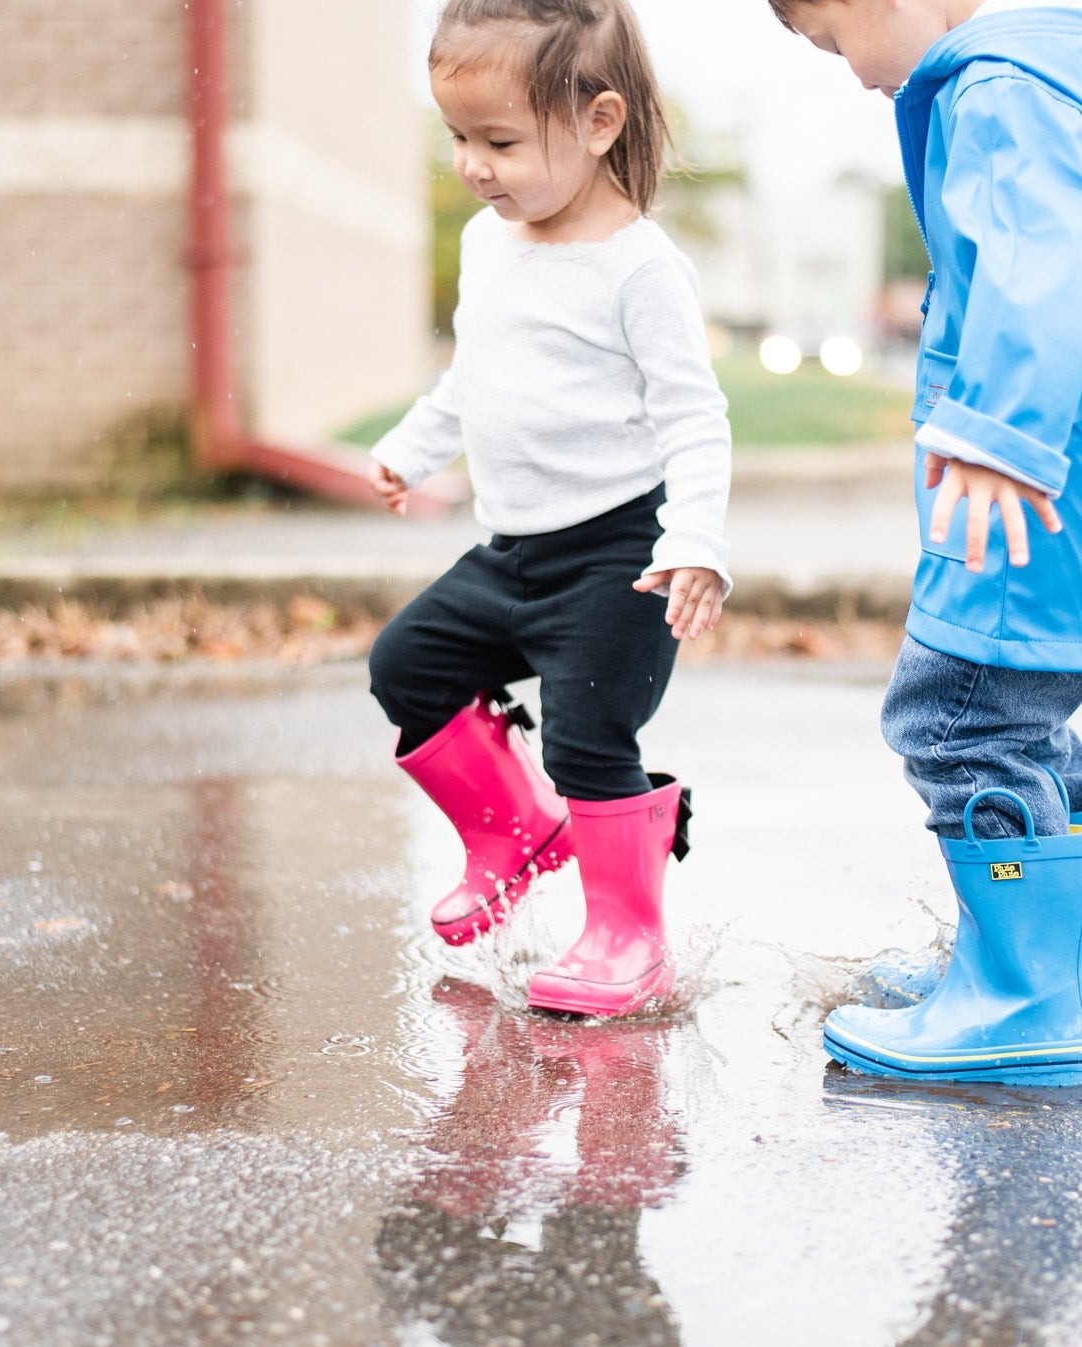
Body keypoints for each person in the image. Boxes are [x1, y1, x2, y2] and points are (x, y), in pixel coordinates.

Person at [770, 0, 1082, 1083]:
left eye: (829, 39)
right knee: (1023, 726)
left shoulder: (1005, 89)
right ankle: (1050, 975)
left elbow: (1036, 264)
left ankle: (1020, 1003)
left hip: (1041, 491)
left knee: (954, 719)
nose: (850, 73)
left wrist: (998, 432)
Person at [367, 0, 731, 1018]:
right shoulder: (490, 243)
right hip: (510, 553)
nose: (471, 166)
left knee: (586, 739)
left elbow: (694, 416)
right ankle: (513, 831)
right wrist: (413, 447)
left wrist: (695, 541)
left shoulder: (639, 268)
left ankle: (627, 937)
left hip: (619, 556)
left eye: (499, 142)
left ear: (599, 122)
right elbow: (475, 374)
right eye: (457, 138)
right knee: (406, 664)